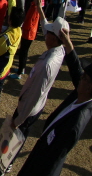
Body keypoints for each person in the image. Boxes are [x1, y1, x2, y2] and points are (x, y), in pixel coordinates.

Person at [0, 12, 68, 175]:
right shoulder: (59, 50)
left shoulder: (48, 64)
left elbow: (35, 95)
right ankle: (6, 164)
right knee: (15, 139)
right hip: (33, 106)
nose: (45, 35)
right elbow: (45, 28)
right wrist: (41, 10)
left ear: (54, 38)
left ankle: (0, 170)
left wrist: (19, 119)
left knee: (13, 140)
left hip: (28, 108)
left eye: (48, 33)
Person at [17, 28, 92, 176]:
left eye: (84, 78)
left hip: (41, 167)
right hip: (39, 152)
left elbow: (55, 158)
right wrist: (68, 43)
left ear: (89, 86)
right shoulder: (80, 96)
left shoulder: (77, 120)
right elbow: (76, 70)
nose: (80, 78)